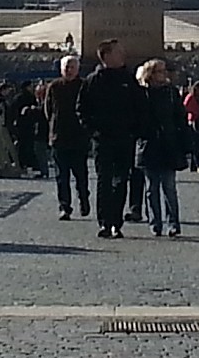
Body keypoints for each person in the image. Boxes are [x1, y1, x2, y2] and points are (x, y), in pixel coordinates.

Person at [83, 40, 142, 238]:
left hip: (125, 138)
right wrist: (93, 131)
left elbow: (139, 105)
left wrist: (134, 129)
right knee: (104, 181)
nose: (123, 54)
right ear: (106, 56)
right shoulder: (93, 80)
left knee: (121, 180)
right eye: (118, 51)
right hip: (103, 139)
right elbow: (81, 109)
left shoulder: (129, 78)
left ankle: (116, 221)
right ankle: (105, 223)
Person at [137, 58, 190, 238]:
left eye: (164, 71)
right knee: (152, 188)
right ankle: (155, 222)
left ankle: (173, 223)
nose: (164, 74)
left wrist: (181, 139)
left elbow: (180, 117)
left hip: (168, 144)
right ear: (151, 74)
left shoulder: (171, 93)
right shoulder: (141, 94)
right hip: (149, 144)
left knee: (169, 187)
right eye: (160, 71)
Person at [47, 55, 90, 221]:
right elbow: (48, 110)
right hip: (59, 137)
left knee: (81, 174)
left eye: (72, 67)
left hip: (79, 137)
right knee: (61, 176)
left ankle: (84, 198)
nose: (68, 70)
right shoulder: (54, 86)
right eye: (66, 67)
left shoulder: (83, 85)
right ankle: (65, 206)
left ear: (77, 69)